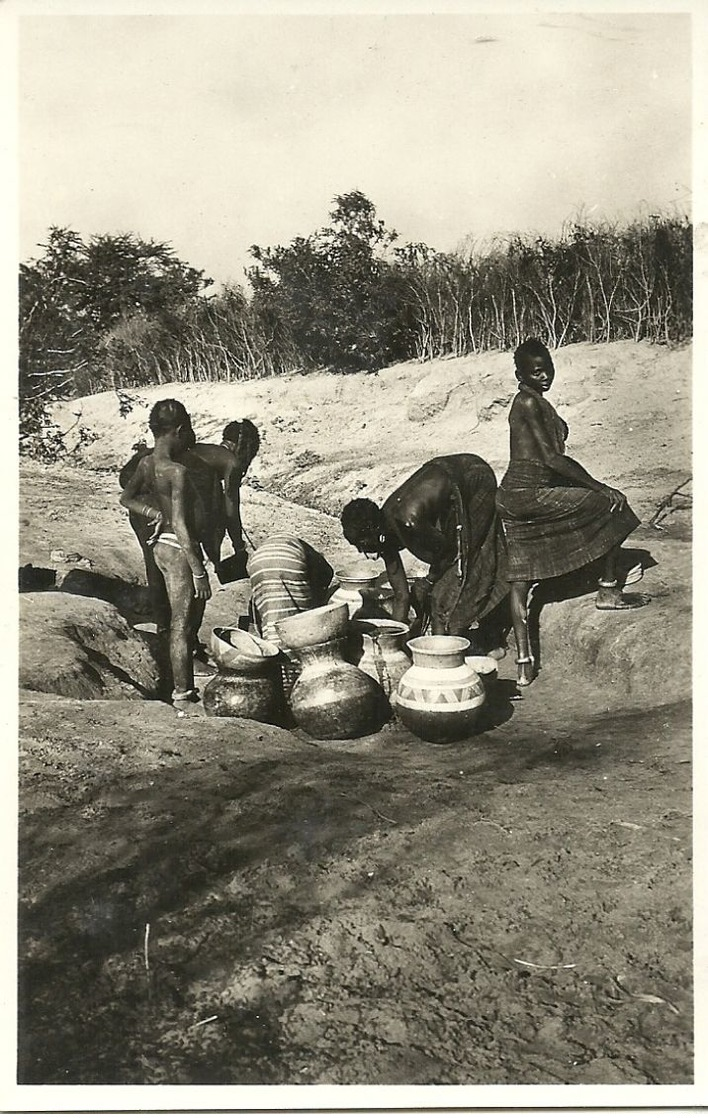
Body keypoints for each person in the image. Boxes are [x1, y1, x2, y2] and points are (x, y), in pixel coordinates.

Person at [496, 338, 648, 687]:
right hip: (530, 493)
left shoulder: (531, 401)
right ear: (520, 374)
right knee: (611, 505)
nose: (545, 375)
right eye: (536, 371)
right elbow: (552, 459)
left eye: (547, 368)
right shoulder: (528, 402)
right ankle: (608, 590)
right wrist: (599, 487)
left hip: (513, 496)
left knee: (520, 579)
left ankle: (523, 666)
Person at [340, 454, 509, 648]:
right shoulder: (382, 530)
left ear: (376, 534)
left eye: (363, 546)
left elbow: (449, 555)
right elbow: (402, 595)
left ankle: (487, 637)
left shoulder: (407, 522)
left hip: (473, 477)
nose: (366, 554)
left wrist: (429, 582)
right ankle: (444, 645)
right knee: (436, 592)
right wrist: (395, 639)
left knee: (462, 572)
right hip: (444, 483)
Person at [120, 399, 213, 710]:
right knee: (182, 626)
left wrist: (152, 513)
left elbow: (126, 498)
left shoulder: (146, 463)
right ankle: (183, 692)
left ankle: (178, 685)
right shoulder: (178, 471)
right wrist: (199, 570)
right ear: (180, 430)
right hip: (177, 549)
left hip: (159, 546)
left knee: (177, 624)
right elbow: (184, 527)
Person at [247, 535, 334, 646]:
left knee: (270, 610)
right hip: (288, 561)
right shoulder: (319, 563)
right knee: (299, 619)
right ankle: (292, 650)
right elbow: (325, 577)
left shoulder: (302, 548)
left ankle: (273, 647)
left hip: (257, 562)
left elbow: (255, 601)